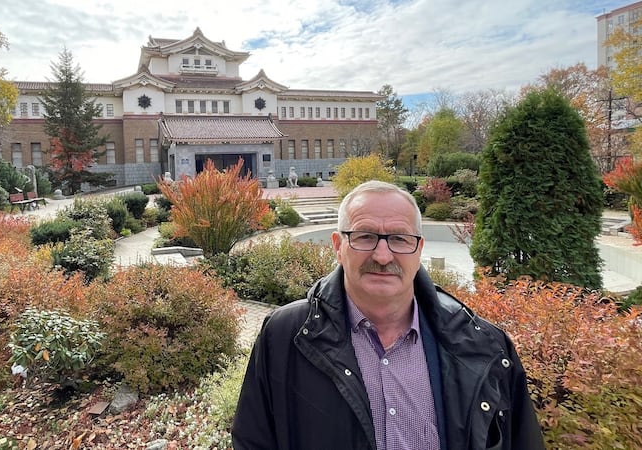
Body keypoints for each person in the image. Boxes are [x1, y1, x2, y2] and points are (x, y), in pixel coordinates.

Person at [232, 180, 543, 450]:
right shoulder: (285, 336)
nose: (382, 256)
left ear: (419, 248)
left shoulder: (485, 345)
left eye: (399, 238)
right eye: (365, 236)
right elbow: (253, 441)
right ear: (338, 246)